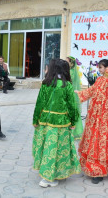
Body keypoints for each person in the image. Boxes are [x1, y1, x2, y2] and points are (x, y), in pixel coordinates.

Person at [76, 59, 108, 184]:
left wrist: (78, 94)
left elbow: (88, 92)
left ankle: (97, 174)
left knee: (97, 144)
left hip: (98, 123)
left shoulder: (100, 82)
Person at [32, 59, 82, 187]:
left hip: (45, 122)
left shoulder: (46, 84)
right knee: (58, 150)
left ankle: (49, 175)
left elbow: (39, 103)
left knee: (48, 148)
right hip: (61, 124)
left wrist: (35, 119)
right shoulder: (67, 85)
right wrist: (73, 120)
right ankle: (48, 178)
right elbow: (72, 105)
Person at [66, 56, 83, 140]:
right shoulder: (71, 71)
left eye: (67, 61)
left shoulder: (71, 72)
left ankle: (72, 132)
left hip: (70, 94)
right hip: (71, 94)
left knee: (71, 112)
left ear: (71, 63)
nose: (66, 63)